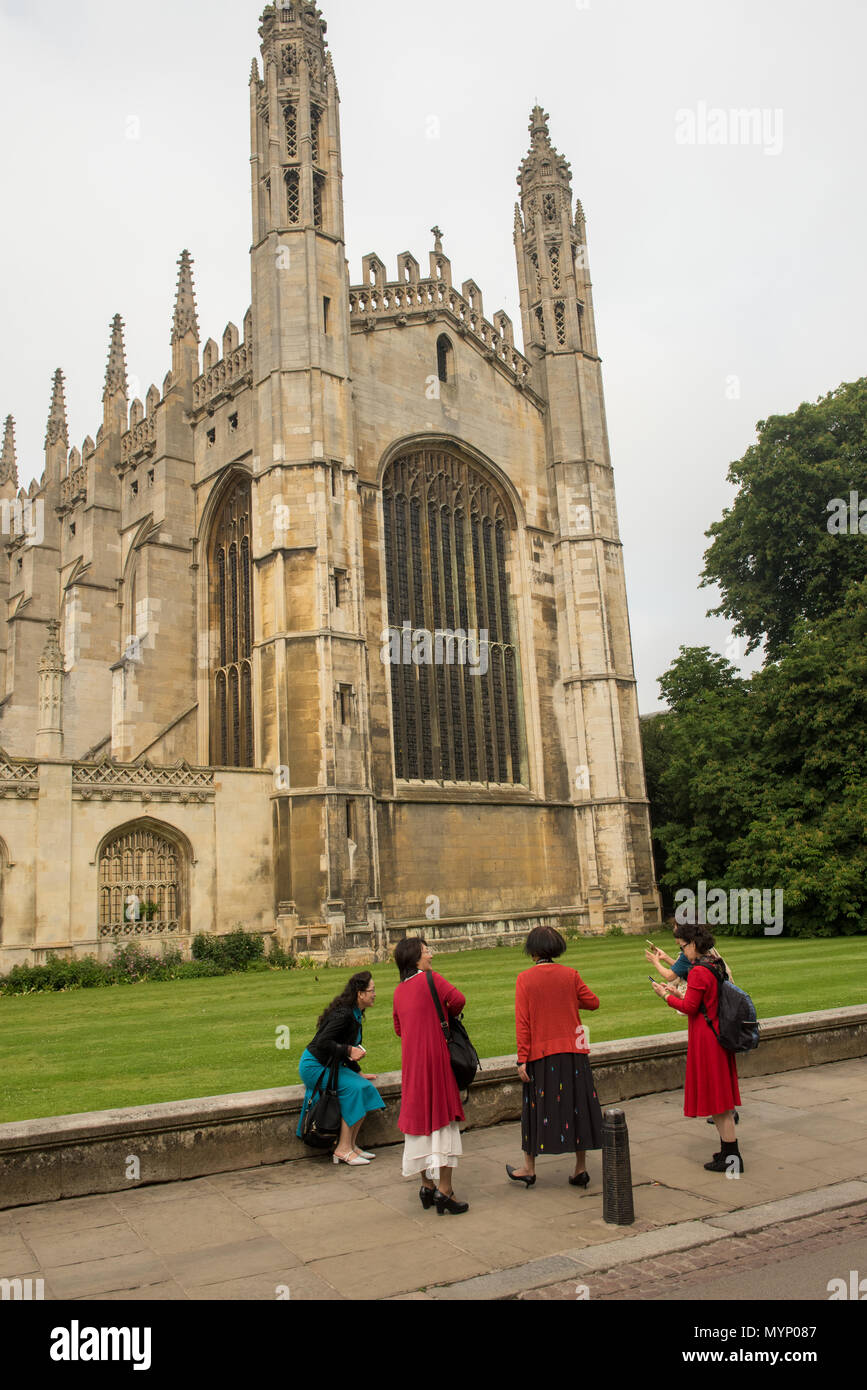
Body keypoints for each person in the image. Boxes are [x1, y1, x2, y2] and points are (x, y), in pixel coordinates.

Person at [506, 925, 603, 1190]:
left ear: (533, 951)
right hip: (574, 1052)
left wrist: (521, 1059)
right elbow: (593, 1002)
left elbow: (523, 1023)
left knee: (534, 1109)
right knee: (578, 1106)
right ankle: (580, 1168)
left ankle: (529, 1168)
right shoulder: (570, 975)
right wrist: (566, 998)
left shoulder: (525, 979)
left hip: (542, 1054)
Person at [651, 922, 744, 1173]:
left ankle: (732, 1157)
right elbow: (701, 1000)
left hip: (707, 1037)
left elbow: (690, 1008)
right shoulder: (715, 964)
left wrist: (665, 995)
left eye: (683, 947)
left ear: (693, 944)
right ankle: (727, 1151)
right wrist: (679, 993)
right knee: (721, 1101)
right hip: (717, 1032)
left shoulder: (699, 972)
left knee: (718, 1102)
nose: (682, 952)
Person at [392, 938, 469, 1215]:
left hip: (412, 1064)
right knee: (443, 1119)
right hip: (436, 1058)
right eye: (426, 952)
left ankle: (426, 1185)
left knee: (419, 1121)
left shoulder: (399, 991)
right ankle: (445, 1191)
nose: (431, 956)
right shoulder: (430, 979)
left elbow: (399, 1028)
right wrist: (442, 1020)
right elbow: (459, 1000)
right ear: (415, 958)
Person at [297, 971, 385, 1166]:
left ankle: (352, 1145)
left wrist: (357, 1071)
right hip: (314, 1066)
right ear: (360, 993)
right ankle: (342, 1149)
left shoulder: (355, 1012)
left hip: (330, 1065)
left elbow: (345, 1047)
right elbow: (322, 1043)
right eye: (372, 990)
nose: (375, 994)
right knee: (354, 1089)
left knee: (365, 1086)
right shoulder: (344, 1014)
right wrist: (348, 1050)